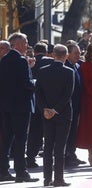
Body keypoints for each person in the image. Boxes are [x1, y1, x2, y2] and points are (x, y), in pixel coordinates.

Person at [0, 33, 38, 182]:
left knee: (7, 140)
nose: (27, 45)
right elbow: (26, 83)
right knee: (21, 139)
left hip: (6, 106)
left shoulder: (3, 60)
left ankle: (3, 170)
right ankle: (21, 172)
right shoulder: (20, 60)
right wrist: (36, 83)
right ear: (16, 45)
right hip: (21, 106)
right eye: (24, 43)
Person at [36, 44, 74, 187]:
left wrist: (45, 109)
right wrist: (55, 109)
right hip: (63, 114)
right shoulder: (69, 72)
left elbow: (38, 92)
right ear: (66, 56)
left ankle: (47, 179)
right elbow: (67, 95)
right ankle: (58, 179)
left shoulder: (42, 71)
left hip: (46, 115)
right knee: (60, 148)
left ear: (53, 55)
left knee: (48, 147)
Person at [26, 42, 52, 168]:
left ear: (35, 52)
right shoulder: (51, 62)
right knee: (50, 131)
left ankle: (30, 157)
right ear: (46, 51)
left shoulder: (30, 62)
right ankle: (49, 156)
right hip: (49, 101)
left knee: (34, 132)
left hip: (35, 101)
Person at [64, 43, 86, 167]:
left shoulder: (77, 65)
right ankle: (66, 156)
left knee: (74, 132)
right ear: (68, 55)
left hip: (77, 105)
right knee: (68, 132)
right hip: (68, 105)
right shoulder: (65, 66)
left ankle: (72, 154)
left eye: (79, 52)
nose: (79, 55)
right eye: (76, 53)